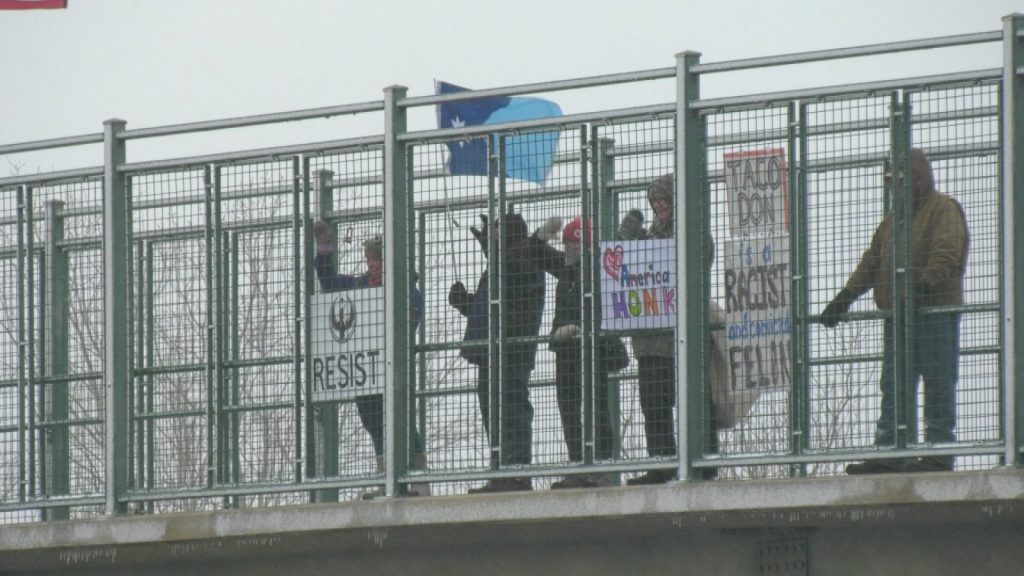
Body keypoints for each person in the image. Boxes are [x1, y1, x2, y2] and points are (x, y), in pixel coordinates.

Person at [820, 148, 969, 475]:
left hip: (934, 314)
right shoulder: (892, 222)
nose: (903, 186)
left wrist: (925, 286)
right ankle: (890, 452)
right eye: (896, 181)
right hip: (898, 316)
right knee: (895, 384)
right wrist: (845, 296)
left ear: (922, 177)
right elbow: (872, 263)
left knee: (938, 380)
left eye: (908, 178)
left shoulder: (943, 208)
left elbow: (948, 251)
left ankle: (938, 453)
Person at [313, 221, 430, 497]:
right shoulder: (357, 285)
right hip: (364, 369)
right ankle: (386, 479)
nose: (372, 265)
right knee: (373, 421)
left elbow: (409, 321)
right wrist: (325, 249)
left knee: (400, 419)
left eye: (376, 259)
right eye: (369, 259)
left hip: (391, 370)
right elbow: (329, 281)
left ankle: (419, 481)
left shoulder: (406, 290)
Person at [448, 211, 557, 493]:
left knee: (512, 408)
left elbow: (511, 275)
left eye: (497, 232)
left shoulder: (525, 260)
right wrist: (465, 303)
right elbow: (490, 309)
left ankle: (517, 472)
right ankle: (501, 470)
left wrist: (493, 250)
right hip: (491, 349)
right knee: (492, 411)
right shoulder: (501, 263)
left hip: (511, 350)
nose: (491, 237)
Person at [624, 173, 719, 485]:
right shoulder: (646, 237)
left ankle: (704, 461)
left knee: (696, 399)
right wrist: (627, 240)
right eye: (656, 202)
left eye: (665, 200)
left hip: (684, 337)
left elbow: (697, 258)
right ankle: (661, 463)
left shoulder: (694, 231)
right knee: (653, 404)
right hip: (650, 339)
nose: (660, 206)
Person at [533, 216, 625, 489]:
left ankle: (600, 468)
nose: (569, 250)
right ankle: (577, 465)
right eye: (567, 244)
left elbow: (608, 309)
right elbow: (535, 253)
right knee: (568, 408)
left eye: (574, 245)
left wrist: (580, 327)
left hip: (594, 348)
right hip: (565, 350)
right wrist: (543, 235)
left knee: (596, 406)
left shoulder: (601, 269)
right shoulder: (566, 267)